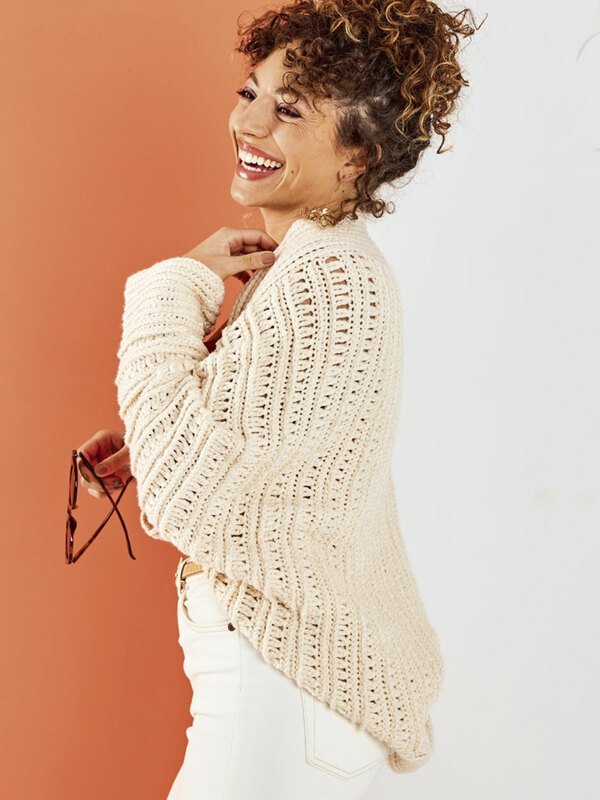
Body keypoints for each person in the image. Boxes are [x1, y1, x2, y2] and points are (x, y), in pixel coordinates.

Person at [76, 1, 480, 797]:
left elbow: (185, 495)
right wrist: (149, 445)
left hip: (276, 695)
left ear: (358, 156)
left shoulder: (326, 282)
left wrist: (172, 284)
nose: (249, 123)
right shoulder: (314, 267)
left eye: (289, 111)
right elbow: (281, 473)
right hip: (286, 696)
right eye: (250, 92)